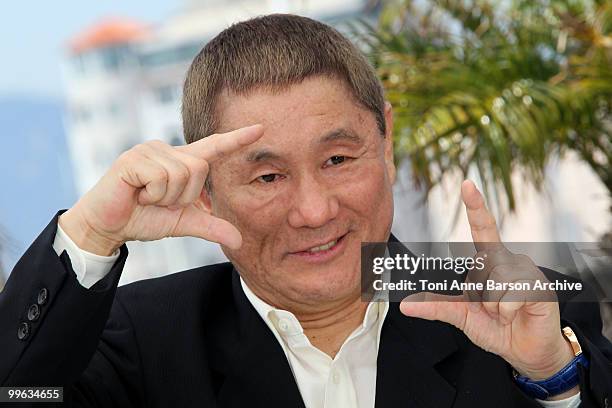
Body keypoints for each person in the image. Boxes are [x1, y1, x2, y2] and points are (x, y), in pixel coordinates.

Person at [0, 14, 611, 408]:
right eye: (268, 175)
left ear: (386, 144)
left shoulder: (528, 302)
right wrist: (89, 234)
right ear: (205, 191)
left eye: (339, 160)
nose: (314, 210)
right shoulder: (139, 340)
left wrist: (554, 382)